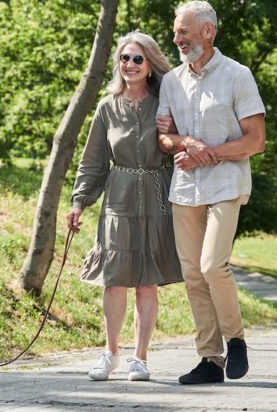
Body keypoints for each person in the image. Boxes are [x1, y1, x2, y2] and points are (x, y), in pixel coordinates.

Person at [156, 0, 266, 385]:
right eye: (175, 32)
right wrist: (185, 141)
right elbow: (164, 136)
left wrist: (211, 153)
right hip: (185, 188)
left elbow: (256, 140)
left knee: (212, 265)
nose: (177, 39)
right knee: (192, 275)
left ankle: (235, 339)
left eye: (183, 31)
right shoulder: (172, 81)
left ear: (207, 31)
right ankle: (210, 359)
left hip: (226, 183)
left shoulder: (238, 75)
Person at [67, 30, 183, 382]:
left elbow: (179, 148)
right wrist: (79, 203)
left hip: (156, 196)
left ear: (150, 66)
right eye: (124, 58)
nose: (129, 64)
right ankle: (110, 352)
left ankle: (140, 358)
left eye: (137, 59)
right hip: (117, 198)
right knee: (114, 280)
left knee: (146, 282)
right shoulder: (107, 106)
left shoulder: (166, 104)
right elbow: (93, 162)